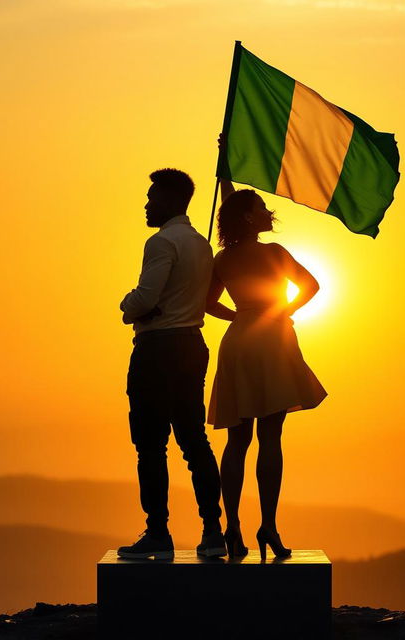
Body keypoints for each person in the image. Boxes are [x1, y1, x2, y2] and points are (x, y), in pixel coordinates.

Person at [206, 168, 327, 560]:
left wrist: (240, 318)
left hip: (238, 341)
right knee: (270, 439)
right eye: (259, 207)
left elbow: (209, 304)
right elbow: (311, 286)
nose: (265, 210)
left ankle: (233, 528)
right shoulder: (275, 254)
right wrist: (279, 311)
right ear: (248, 217)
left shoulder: (223, 259)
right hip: (272, 340)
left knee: (236, 441)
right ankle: (269, 526)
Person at [117, 168, 226, 560]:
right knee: (194, 440)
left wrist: (126, 307)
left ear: (169, 200)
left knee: (150, 445)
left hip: (157, 347)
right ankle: (213, 530)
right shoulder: (201, 245)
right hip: (192, 345)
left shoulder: (161, 242)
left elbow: (144, 298)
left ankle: (158, 532)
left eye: (152, 197)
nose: (147, 204)